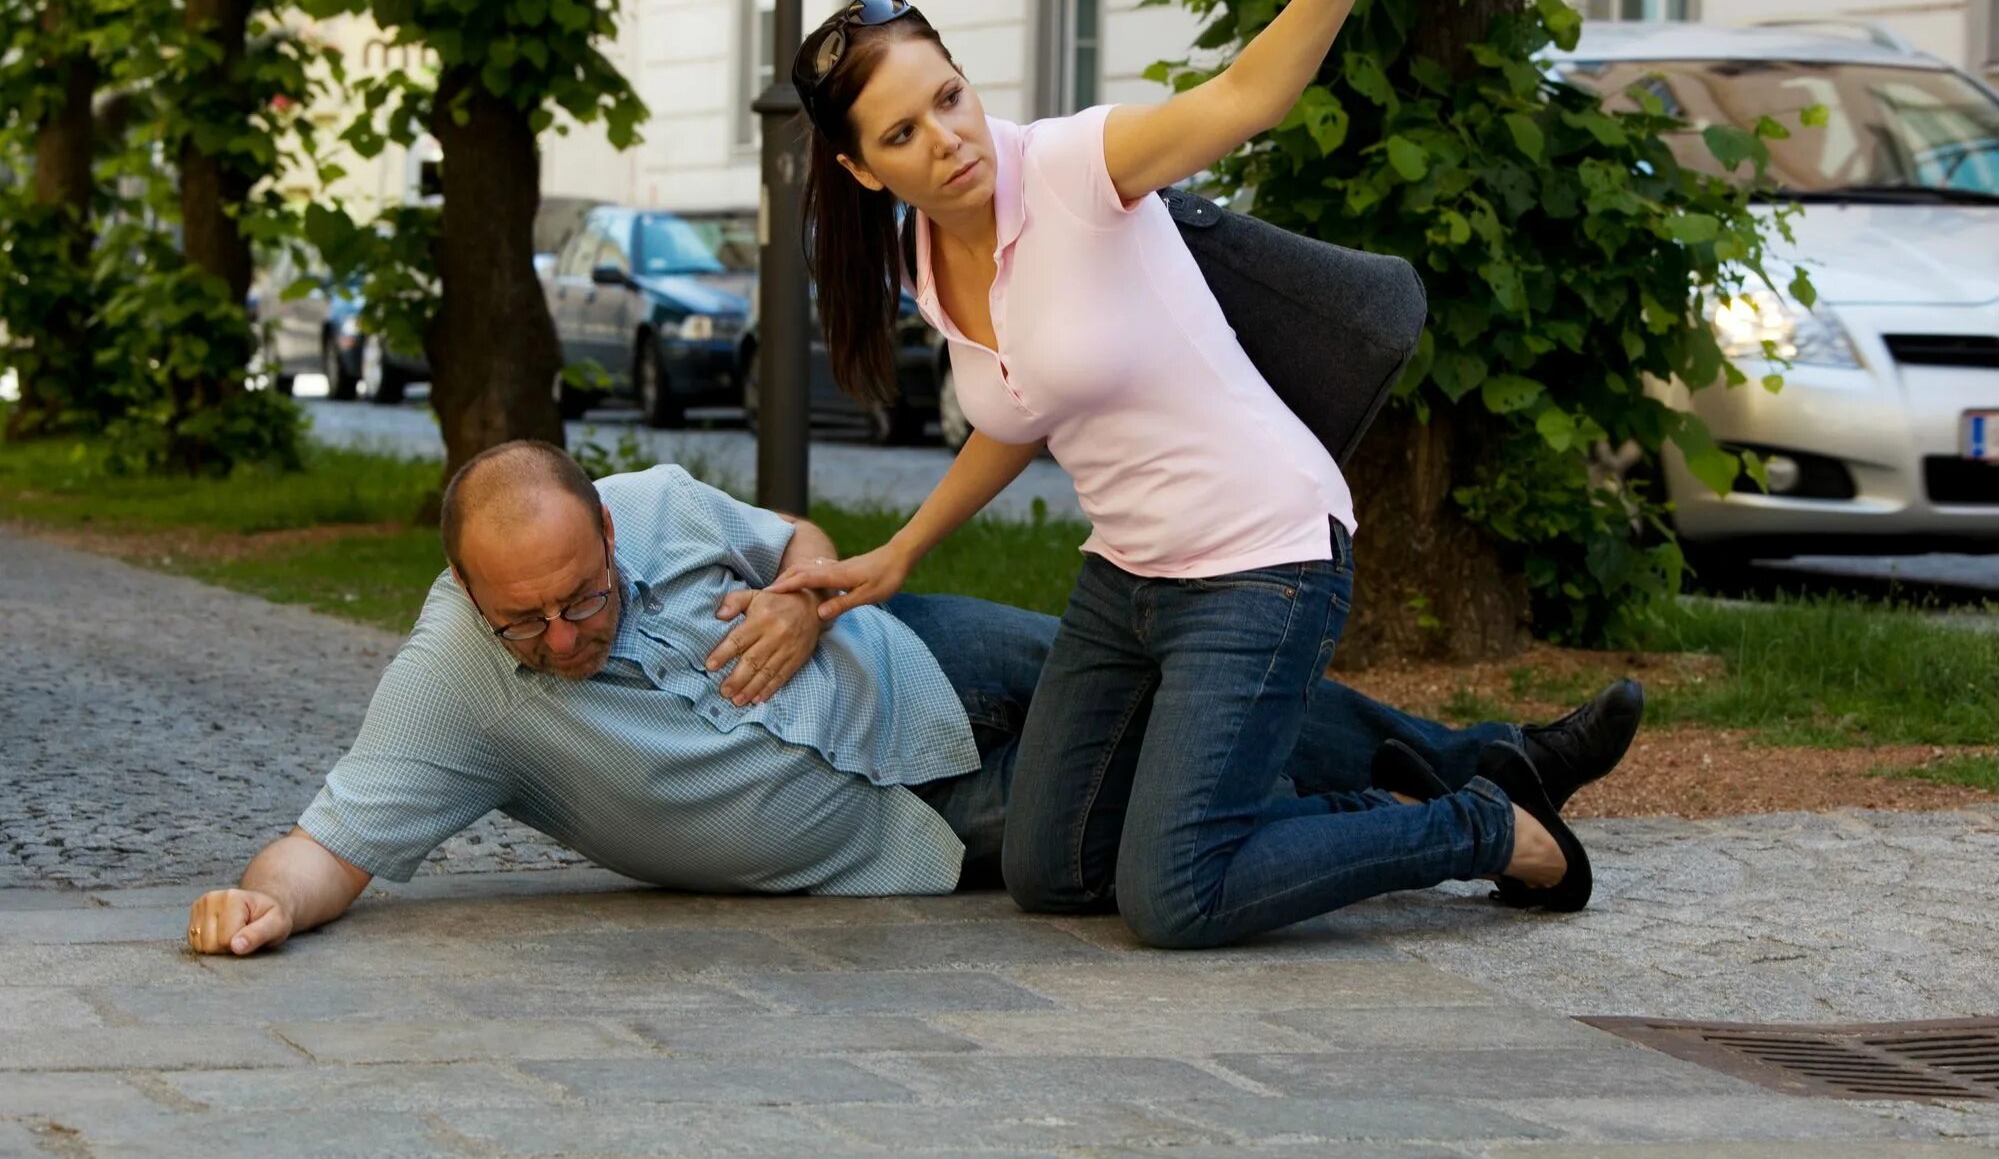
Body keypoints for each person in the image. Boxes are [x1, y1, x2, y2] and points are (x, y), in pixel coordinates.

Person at [767, 0, 1637, 949]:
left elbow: (1245, 94)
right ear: (862, 168)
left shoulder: (1080, 167)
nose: (950, 139)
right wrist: (906, 546)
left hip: (1261, 556)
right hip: (1127, 576)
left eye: (949, 96)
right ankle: (1323, 810)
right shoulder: (926, 257)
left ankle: (1483, 822)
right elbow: (1020, 411)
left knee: (1175, 896)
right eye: (903, 134)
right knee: (1050, 866)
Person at [186, 441, 1638, 956]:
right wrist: (257, 900)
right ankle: (1459, 817)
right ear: (465, 594)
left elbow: (802, 542)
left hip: (920, 654)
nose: (563, 631)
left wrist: (807, 599)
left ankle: (1493, 758)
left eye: (585, 596)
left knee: (1210, 684)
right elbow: (327, 844)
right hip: (920, 820)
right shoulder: (456, 683)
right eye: (529, 620)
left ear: (606, 534)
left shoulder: (647, 505)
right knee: (1174, 811)